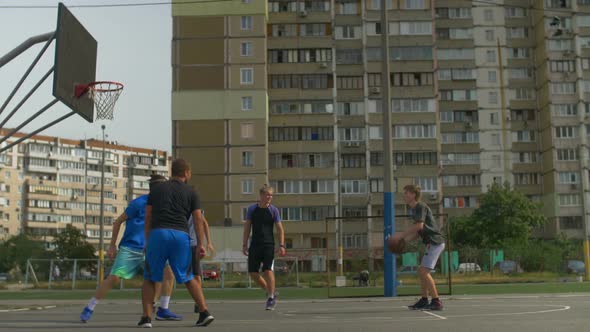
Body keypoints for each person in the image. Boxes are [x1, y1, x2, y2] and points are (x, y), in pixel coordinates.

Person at [80, 175, 181, 322]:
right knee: (114, 277)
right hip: (131, 248)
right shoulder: (138, 203)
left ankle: (161, 309)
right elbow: (118, 222)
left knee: (167, 274)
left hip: (152, 249)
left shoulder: (164, 205)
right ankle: (90, 307)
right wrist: (112, 245)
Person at [138, 159, 214, 328]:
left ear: (172, 172)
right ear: (186, 173)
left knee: (150, 277)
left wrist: (148, 240)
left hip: (158, 233)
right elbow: (197, 219)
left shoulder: (156, 190)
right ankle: (204, 312)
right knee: (188, 277)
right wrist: (200, 243)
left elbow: (148, 216)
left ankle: (147, 318)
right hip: (180, 235)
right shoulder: (191, 191)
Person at [392, 185, 445, 311]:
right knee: (421, 272)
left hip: (435, 242)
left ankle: (436, 301)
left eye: (406, 193)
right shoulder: (415, 210)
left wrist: (402, 235)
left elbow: (419, 226)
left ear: (413, 195)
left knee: (423, 272)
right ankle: (424, 300)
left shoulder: (420, 206)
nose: (404, 195)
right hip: (431, 243)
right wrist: (404, 241)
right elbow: (418, 232)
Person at [242, 184, 286, 311]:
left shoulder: (274, 210)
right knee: (253, 272)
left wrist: (282, 245)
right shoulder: (252, 209)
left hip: (268, 244)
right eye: (267, 195)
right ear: (261, 195)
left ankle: (271, 298)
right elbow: (247, 228)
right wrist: (244, 244)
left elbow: (280, 229)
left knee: (268, 270)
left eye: (271, 195)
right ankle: (270, 290)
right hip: (255, 244)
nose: (270, 197)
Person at [187, 209, 215, 314]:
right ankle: (161, 303)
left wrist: (208, 242)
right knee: (169, 272)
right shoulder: (177, 206)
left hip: (193, 244)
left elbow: (204, 223)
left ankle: (198, 302)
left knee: (195, 272)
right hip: (180, 242)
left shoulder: (195, 208)